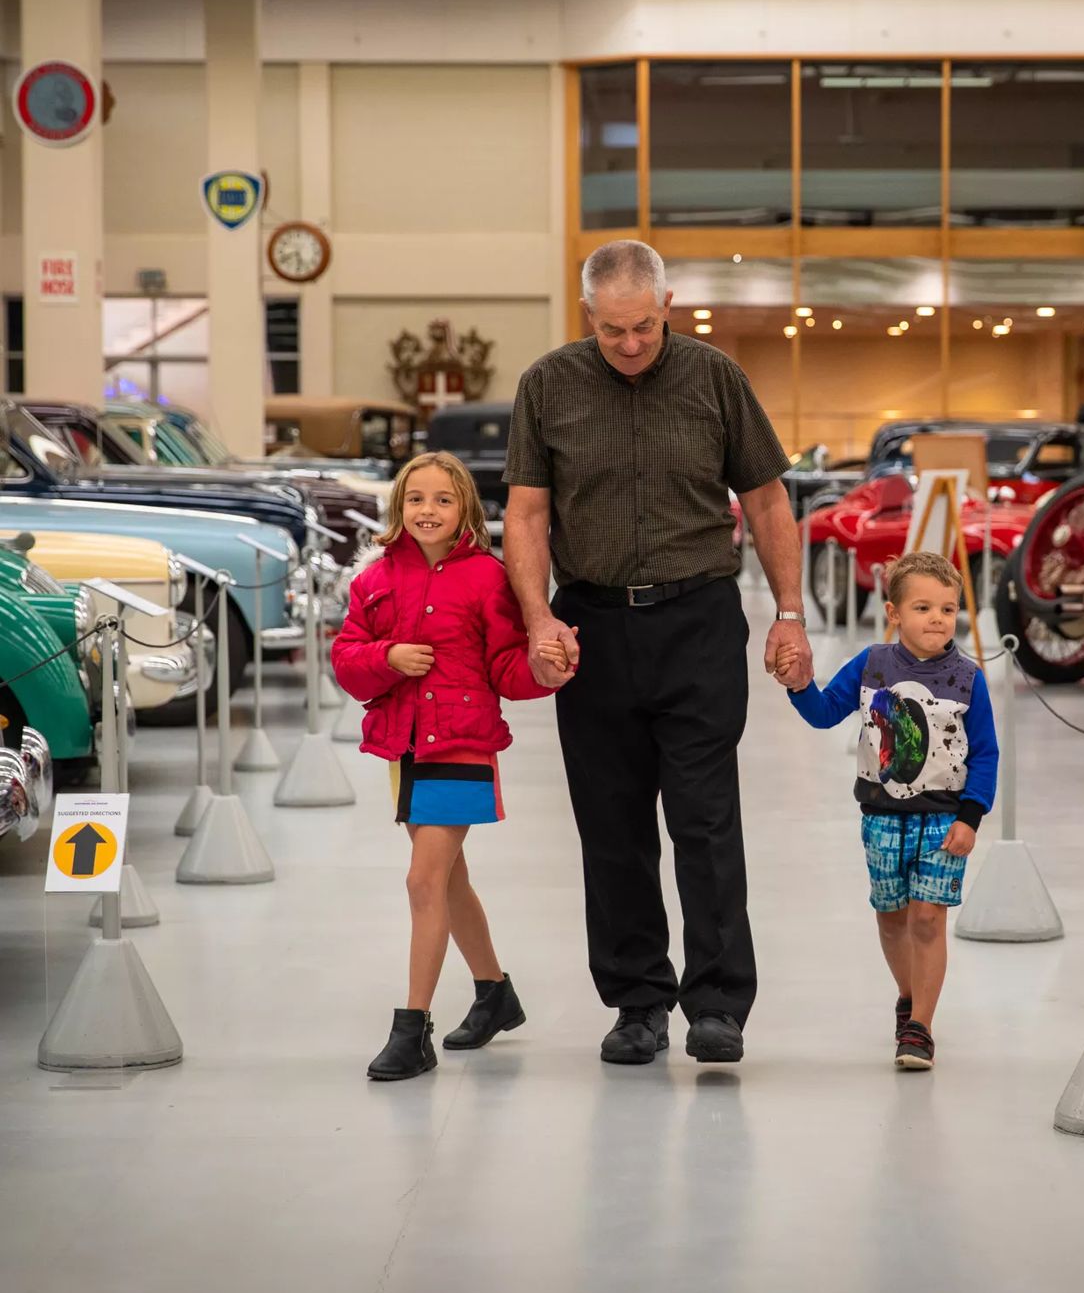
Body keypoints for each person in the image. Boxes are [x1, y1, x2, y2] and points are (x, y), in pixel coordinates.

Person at [503, 238, 812, 1068]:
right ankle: (638, 1001)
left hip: (699, 621)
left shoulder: (716, 379)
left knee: (705, 819)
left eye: (643, 326)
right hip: (591, 628)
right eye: (613, 331)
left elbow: (769, 500)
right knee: (612, 826)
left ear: (667, 306)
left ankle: (717, 1005)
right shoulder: (548, 385)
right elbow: (527, 516)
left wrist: (789, 613)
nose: (631, 344)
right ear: (588, 318)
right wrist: (538, 620)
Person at [331, 450, 567, 1082]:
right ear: (397, 506)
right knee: (448, 880)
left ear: (465, 506)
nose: (426, 511)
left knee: (422, 882)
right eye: (415, 499)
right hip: (403, 748)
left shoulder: (489, 578)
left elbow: (508, 669)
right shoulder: (375, 579)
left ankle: (413, 1029)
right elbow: (347, 660)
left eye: (441, 499)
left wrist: (546, 670)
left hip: (462, 743)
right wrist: (387, 657)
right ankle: (495, 993)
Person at [781, 551, 997, 1070]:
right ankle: (907, 995)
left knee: (928, 920)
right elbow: (825, 712)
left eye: (948, 609)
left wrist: (971, 817)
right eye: (924, 608)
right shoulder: (871, 665)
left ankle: (920, 1025)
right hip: (880, 817)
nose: (938, 619)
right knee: (891, 917)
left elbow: (985, 752)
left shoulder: (969, 678)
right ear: (894, 613)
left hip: (945, 820)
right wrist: (798, 685)